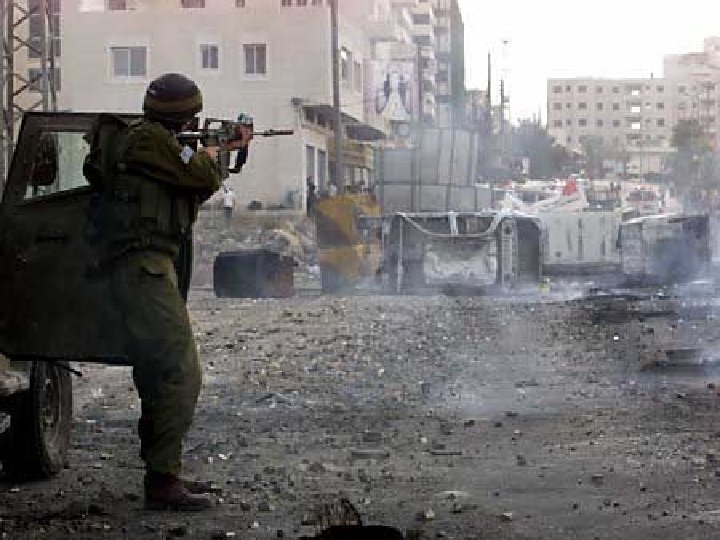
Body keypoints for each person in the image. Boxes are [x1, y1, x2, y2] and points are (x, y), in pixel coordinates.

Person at [83, 73, 252, 511]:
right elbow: (202, 177)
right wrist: (215, 151)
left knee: (157, 371)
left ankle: (164, 471)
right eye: (192, 116)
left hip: (149, 265)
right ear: (182, 115)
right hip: (143, 266)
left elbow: (186, 183)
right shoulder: (149, 141)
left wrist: (213, 149)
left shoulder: (156, 144)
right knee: (180, 371)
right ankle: (162, 481)